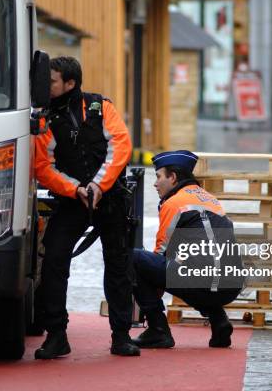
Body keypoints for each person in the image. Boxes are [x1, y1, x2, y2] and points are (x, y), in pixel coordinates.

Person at [33, 56, 139, 359]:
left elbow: (121, 146)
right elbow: (43, 167)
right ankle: (56, 334)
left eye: (51, 81)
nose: (45, 86)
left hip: (110, 198)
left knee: (119, 266)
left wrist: (97, 186)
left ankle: (121, 336)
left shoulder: (101, 106)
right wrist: (76, 189)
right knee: (53, 260)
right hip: (72, 199)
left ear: (70, 83)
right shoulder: (44, 119)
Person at [131, 150, 243, 349]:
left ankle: (158, 330)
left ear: (173, 177)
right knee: (199, 268)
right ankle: (219, 322)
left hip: (204, 282)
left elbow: (161, 253)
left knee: (134, 258)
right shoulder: (210, 199)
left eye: (158, 176)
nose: (155, 183)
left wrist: (146, 294)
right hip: (232, 285)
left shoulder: (174, 203)